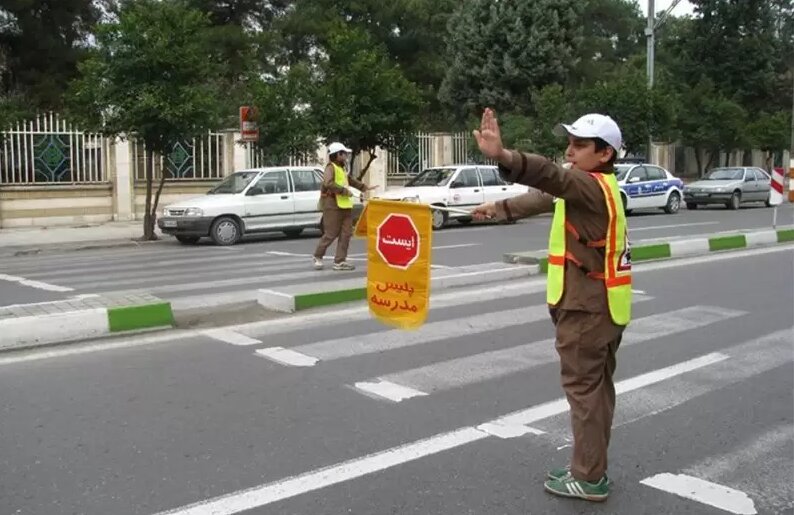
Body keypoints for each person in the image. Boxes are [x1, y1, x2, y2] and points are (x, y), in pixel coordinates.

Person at [472, 109, 632, 502]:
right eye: (570, 142)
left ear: (605, 154)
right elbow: (545, 196)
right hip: (604, 307)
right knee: (596, 392)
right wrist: (500, 208)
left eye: (579, 145)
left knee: (584, 393)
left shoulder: (588, 187)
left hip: (586, 310)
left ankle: (589, 478)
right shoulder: (598, 187)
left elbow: (550, 176)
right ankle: (589, 466)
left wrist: (504, 156)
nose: (570, 150)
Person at [313, 142, 376, 271]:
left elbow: (350, 180)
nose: (346, 156)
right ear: (337, 155)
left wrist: (364, 187)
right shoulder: (330, 168)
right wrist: (344, 191)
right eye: (344, 153)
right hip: (332, 204)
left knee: (346, 234)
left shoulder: (341, 168)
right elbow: (328, 183)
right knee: (330, 234)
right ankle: (318, 256)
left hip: (345, 205)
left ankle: (340, 261)